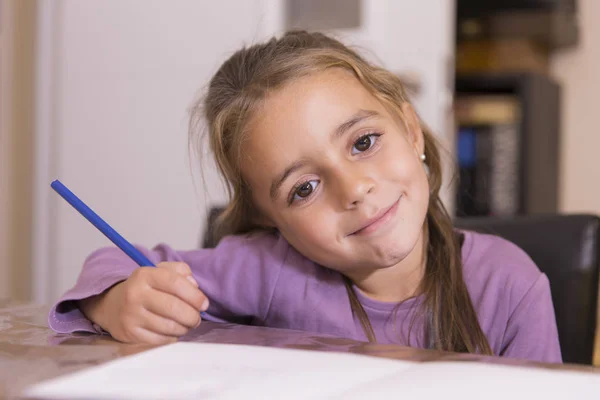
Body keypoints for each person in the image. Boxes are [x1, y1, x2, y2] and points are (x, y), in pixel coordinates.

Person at [48, 31, 561, 363]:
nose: (354, 190)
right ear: (269, 219)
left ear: (410, 129)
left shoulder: (510, 286)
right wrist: (113, 300)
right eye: (304, 189)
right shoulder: (270, 269)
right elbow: (113, 263)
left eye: (363, 142)